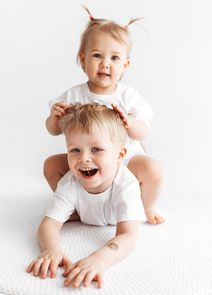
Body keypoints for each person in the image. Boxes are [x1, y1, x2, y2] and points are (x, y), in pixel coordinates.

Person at [44, 8, 164, 224]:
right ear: (83, 60)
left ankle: (143, 207)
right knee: (51, 165)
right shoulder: (73, 95)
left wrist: (129, 122)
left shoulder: (128, 96)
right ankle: (71, 206)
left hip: (124, 159)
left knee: (153, 169)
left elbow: (144, 130)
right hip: (86, 158)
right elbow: (54, 130)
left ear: (125, 65)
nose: (105, 63)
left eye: (114, 57)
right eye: (97, 55)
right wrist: (54, 119)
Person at [27, 103, 146, 288]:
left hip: (117, 215)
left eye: (96, 149)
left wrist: (99, 260)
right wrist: (51, 249)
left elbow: (128, 235)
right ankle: (74, 211)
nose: (84, 158)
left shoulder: (126, 184)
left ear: (120, 154)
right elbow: (49, 223)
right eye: (74, 150)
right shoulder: (70, 182)